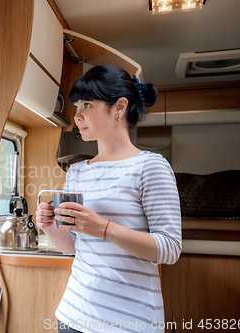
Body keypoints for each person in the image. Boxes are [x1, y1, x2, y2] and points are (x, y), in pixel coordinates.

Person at [36, 65, 181, 333]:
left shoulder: (151, 166)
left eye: (87, 105)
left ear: (119, 107)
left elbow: (170, 248)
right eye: (76, 106)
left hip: (129, 322)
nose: (77, 116)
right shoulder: (78, 171)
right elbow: (73, 246)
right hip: (73, 315)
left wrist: (103, 228)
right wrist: (48, 226)